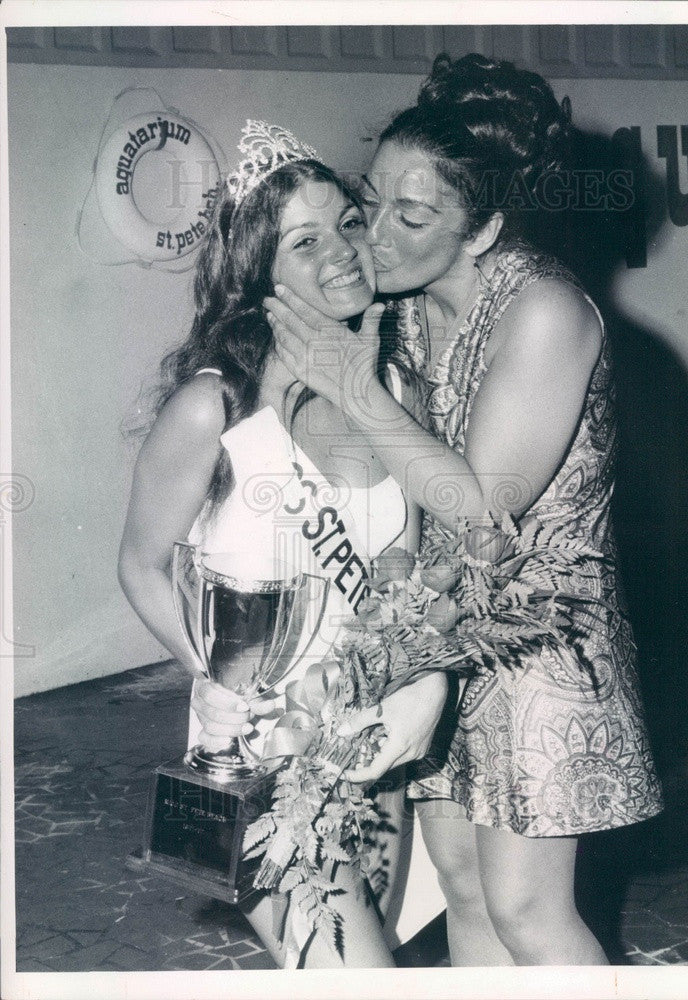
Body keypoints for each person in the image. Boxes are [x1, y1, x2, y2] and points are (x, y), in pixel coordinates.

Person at [264, 54, 665, 966]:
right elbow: (404, 500)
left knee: (528, 908)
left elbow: (486, 515)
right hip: (440, 627)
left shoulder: (546, 311)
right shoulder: (404, 310)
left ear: (482, 227)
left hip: (541, 644)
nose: (372, 235)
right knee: (463, 888)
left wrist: (356, 392)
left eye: (412, 217)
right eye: (372, 202)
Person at [118, 121, 442, 968]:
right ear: (256, 272)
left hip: (368, 737)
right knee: (357, 973)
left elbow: (401, 556)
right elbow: (140, 564)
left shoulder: (392, 386)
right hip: (263, 752)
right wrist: (210, 674)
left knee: (372, 953)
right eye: (303, 241)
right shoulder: (212, 409)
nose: (341, 251)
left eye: (345, 223)